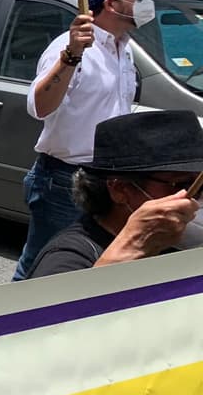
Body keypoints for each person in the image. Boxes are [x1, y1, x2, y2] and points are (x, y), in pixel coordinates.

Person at [12, 0, 156, 280]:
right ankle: (9, 327)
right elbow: (38, 106)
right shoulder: (70, 47)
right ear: (111, 3)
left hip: (106, 177)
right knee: (42, 268)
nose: (145, 2)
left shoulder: (124, 49)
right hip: (65, 179)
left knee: (88, 267)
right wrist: (71, 55)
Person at [28, 110, 202, 277]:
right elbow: (67, 307)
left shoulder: (171, 246)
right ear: (120, 189)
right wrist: (135, 244)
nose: (196, 199)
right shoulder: (68, 259)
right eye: (182, 184)